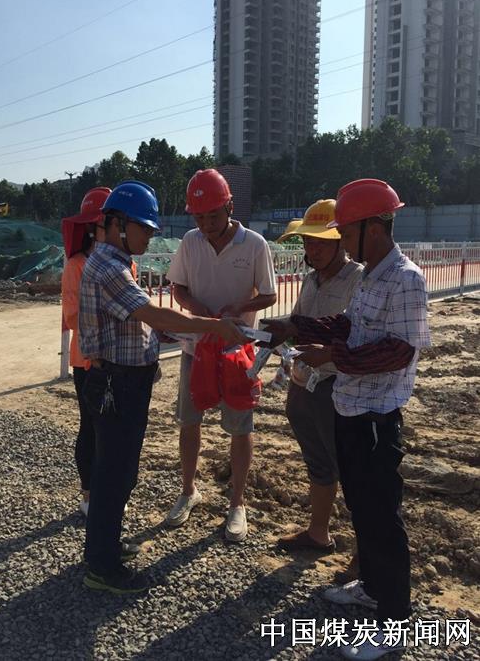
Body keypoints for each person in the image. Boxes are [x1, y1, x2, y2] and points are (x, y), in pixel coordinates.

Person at [262, 179, 430, 660]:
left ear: (372, 228)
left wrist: (332, 356)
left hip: (376, 416)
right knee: (361, 506)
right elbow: (347, 325)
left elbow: (399, 352)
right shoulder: (372, 276)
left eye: (346, 231)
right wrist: (296, 326)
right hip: (351, 409)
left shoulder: (406, 279)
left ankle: (395, 623)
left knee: (381, 517)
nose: (340, 240)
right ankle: (372, 589)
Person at [78, 180, 249, 595]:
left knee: (118, 472)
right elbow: (153, 314)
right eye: (145, 228)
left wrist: (178, 332)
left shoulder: (113, 262)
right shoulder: (109, 269)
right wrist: (213, 326)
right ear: (119, 224)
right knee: (114, 474)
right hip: (117, 384)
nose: (150, 236)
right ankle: (101, 566)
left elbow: (140, 324)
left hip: (122, 381)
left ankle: (105, 547)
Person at [165, 169, 277, 542]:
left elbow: (270, 294)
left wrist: (239, 307)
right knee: (189, 421)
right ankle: (188, 490)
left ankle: (237, 503)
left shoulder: (255, 244)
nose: (205, 224)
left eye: (212, 215)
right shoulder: (190, 242)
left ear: (229, 208)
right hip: (196, 348)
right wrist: (197, 310)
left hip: (236, 350)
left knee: (240, 427)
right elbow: (178, 287)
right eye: (198, 217)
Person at [275, 199, 362, 557]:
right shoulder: (311, 280)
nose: (313, 249)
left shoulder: (358, 279)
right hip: (303, 383)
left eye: (322, 242)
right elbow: (298, 326)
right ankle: (318, 533)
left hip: (336, 387)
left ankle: (365, 555)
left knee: (353, 470)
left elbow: (356, 335)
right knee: (318, 462)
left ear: (342, 240)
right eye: (309, 242)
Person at [61, 187, 110, 516]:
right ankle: (89, 493)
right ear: (95, 228)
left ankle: (108, 489)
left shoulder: (125, 264)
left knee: (112, 428)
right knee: (91, 425)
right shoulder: (76, 265)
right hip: (88, 359)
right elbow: (73, 317)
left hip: (117, 358)